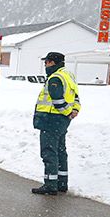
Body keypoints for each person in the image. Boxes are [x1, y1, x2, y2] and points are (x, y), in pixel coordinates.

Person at [31, 51, 80, 195]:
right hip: (62, 122)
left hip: (51, 119)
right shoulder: (68, 76)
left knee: (49, 152)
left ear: (53, 63)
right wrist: (74, 111)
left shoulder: (55, 78)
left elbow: (57, 100)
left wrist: (67, 112)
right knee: (60, 152)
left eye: (46, 62)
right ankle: (61, 183)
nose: (45, 65)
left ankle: (50, 184)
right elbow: (76, 97)